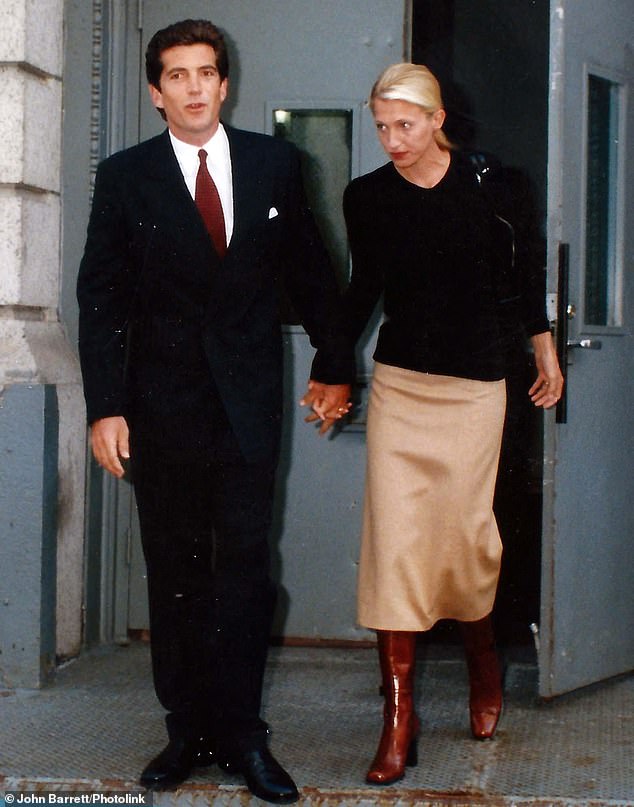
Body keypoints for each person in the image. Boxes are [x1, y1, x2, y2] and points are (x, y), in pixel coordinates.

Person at [76, 19, 351, 803]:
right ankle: (186, 729)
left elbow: (313, 271)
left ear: (225, 84)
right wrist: (106, 406)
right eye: (178, 75)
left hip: (246, 406)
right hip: (159, 409)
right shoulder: (125, 177)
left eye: (206, 72)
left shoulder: (274, 164)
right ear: (156, 92)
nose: (194, 87)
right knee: (176, 570)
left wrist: (336, 364)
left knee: (244, 570)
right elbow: (101, 298)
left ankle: (242, 734)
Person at [340, 63, 564, 786]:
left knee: (465, 539)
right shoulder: (368, 196)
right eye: (382, 127)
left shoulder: (494, 185)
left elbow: (522, 273)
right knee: (395, 544)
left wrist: (543, 347)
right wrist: (331, 364)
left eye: (405, 125)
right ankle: (398, 716)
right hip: (403, 387)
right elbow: (364, 288)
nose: (392, 140)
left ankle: (482, 660)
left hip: (475, 388)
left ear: (438, 120)